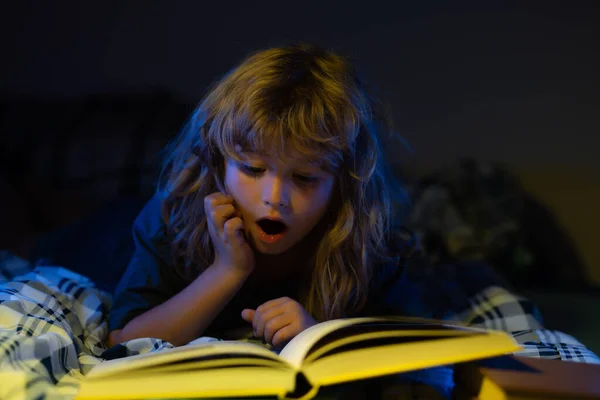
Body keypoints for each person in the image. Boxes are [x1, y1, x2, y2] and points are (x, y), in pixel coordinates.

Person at [107, 43, 418, 349]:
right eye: (252, 169)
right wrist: (226, 271)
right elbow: (123, 342)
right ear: (217, 161)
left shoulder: (370, 241)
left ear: (342, 185)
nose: (274, 197)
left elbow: (413, 348)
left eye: (304, 177)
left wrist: (318, 336)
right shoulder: (172, 212)